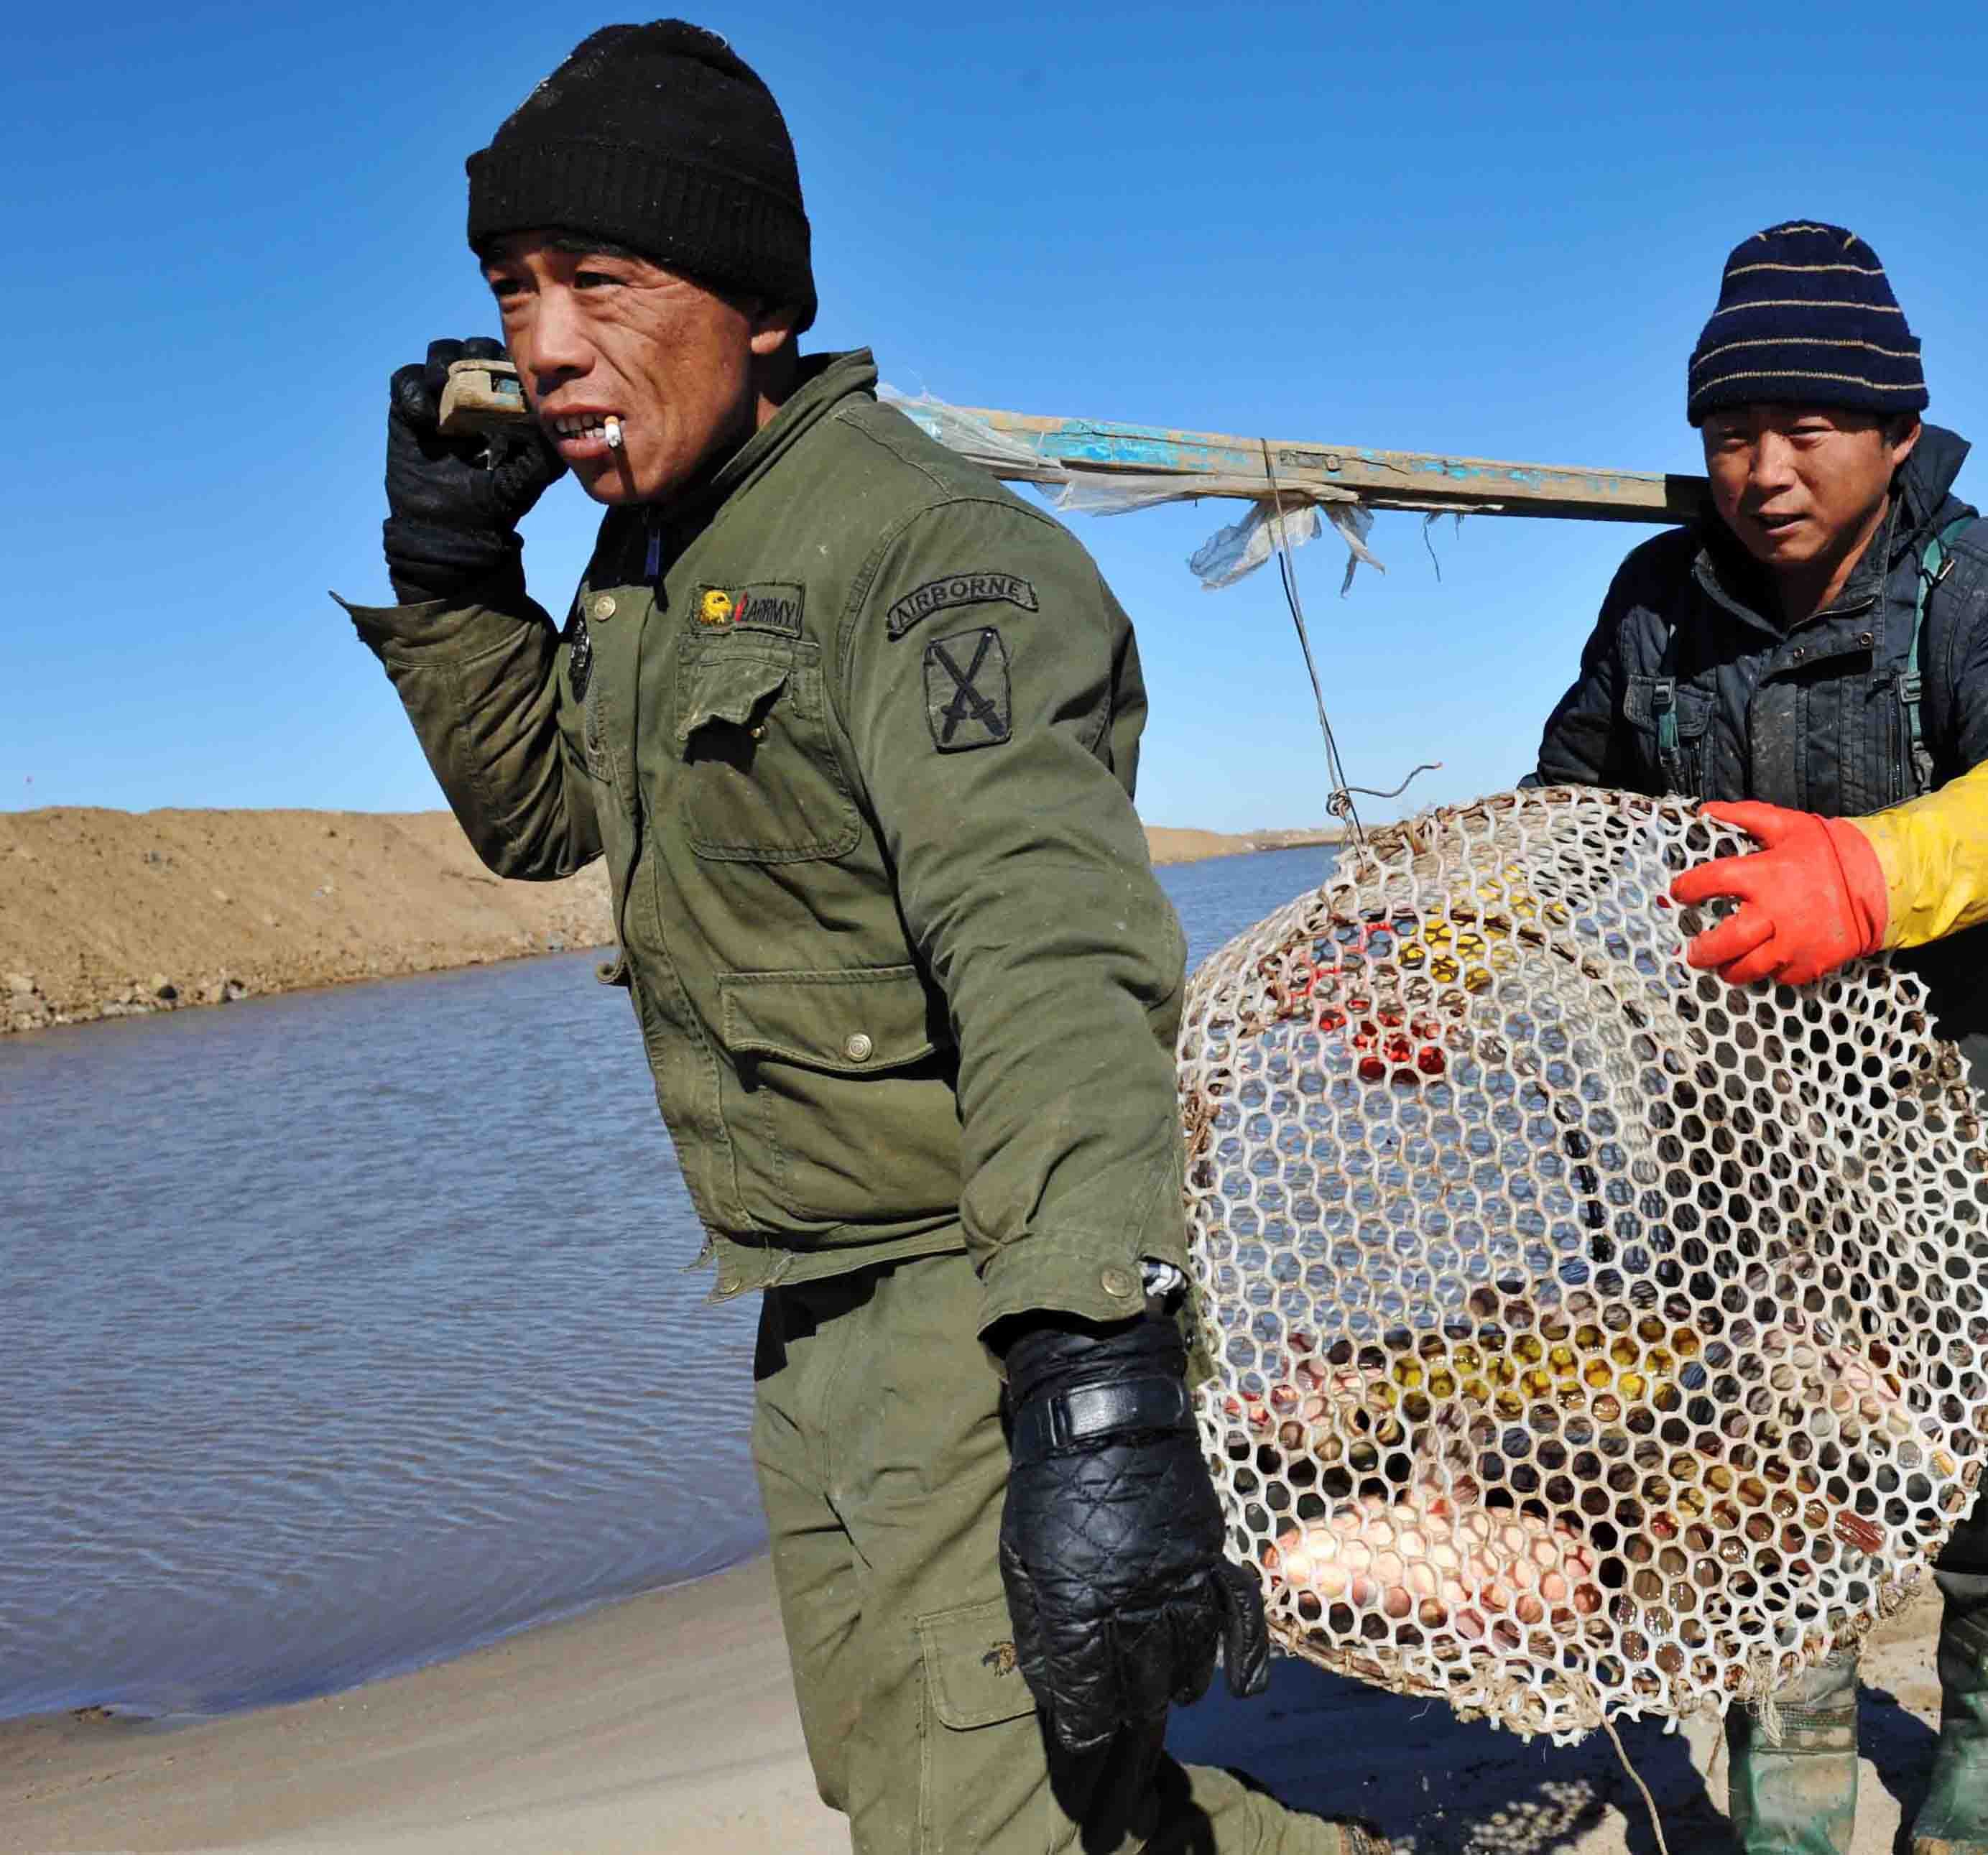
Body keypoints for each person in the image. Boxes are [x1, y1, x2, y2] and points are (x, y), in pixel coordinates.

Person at [339, 22, 1367, 1854]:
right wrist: (451, 587)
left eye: (603, 282)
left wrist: (1096, 1379)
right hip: (807, 1312)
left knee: (970, 1824)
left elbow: (1048, 952)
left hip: (971, 1302)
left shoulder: (922, 555)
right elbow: (541, 818)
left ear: (758, 308)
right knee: (946, 1781)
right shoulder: (657, 550)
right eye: (513, 289)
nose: (544, 342)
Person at [1529, 221, 1988, 1855]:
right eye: (1730, 434)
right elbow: (1567, 812)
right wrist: (1460, 952)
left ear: (1892, 427)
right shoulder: (1656, 602)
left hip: (1986, 1107)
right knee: (1756, 1443)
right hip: (1738, 1131)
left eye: (1805, 429)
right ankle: (1787, 1743)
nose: (1763, 471)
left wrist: (1869, 873)